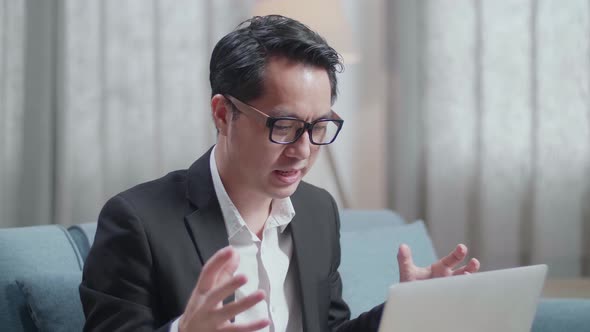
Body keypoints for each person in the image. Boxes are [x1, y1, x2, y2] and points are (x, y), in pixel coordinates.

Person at [80, 14, 480, 332]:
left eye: (319, 127)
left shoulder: (317, 211)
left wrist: (404, 312)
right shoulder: (138, 222)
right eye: (284, 127)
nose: (303, 152)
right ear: (223, 114)